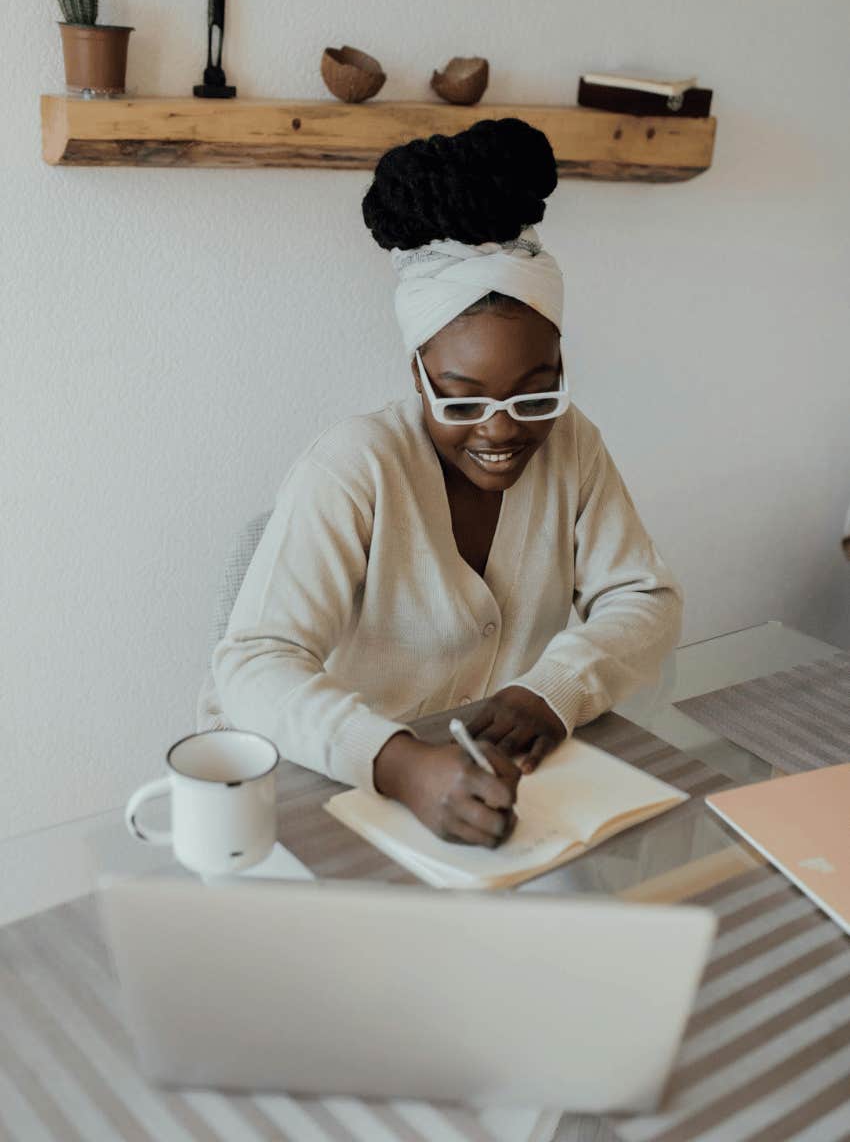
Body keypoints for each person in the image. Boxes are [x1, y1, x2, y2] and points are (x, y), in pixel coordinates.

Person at [196, 117, 684, 849]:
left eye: (535, 394)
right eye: (461, 398)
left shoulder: (574, 445)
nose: (500, 430)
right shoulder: (354, 467)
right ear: (417, 379)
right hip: (326, 793)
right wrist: (403, 767)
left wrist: (549, 691)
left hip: (491, 791)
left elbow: (644, 599)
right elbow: (253, 665)